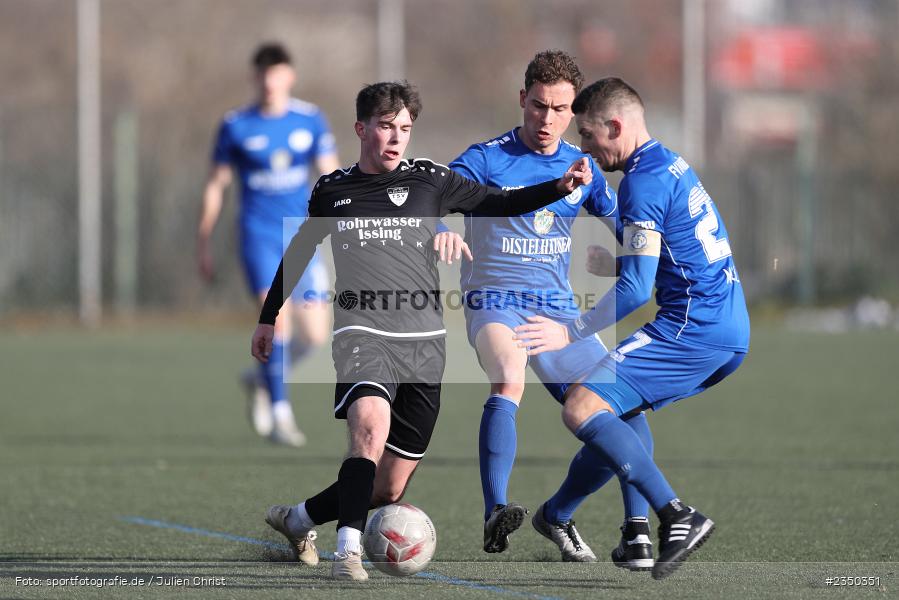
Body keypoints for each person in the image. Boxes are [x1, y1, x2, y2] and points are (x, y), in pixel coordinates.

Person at [251, 81, 593, 581]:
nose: (396, 138)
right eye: (386, 127)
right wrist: (269, 316)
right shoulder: (333, 190)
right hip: (361, 333)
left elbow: (497, 201)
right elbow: (300, 251)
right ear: (361, 128)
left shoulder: (431, 181)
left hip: (425, 345)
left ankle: (298, 519)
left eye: (405, 129)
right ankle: (348, 551)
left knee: (388, 487)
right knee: (369, 430)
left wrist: (557, 188)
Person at [514, 77, 750, 579]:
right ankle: (617, 529)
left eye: (587, 134)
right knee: (615, 415)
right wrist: (617, 262)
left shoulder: (640, 183)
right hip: (728, 328)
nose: (584, 148)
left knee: (581, 406)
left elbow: (639, 290)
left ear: (616, 127)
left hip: (691, 328)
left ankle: (676, 515)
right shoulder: (669, 163)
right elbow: (672, 253)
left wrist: (570, 330)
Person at [440, 50, 656, 563]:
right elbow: (436, 194)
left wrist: (625, 260)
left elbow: (627, 230)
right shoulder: (486, 158)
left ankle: (628, 526)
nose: (547, 119)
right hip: (494, 301)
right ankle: (496, 511)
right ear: (523, 99)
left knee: (623, 408)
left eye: (560, 110)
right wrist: (440, 229)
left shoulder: (582, 166)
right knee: (508, 377)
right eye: (539, 105)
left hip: (557, 312)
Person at [197, 43, 340, 446]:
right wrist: (203, 239)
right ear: (254, 77)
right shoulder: (236, 125)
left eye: (276, 73)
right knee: (276, 318)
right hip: (258, 235)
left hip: (303, 236)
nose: (269, 81)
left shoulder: (310, 120)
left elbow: (330, 174)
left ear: (289, 76)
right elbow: (216, 184)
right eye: (262, 73)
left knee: (315, 335)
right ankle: (280, 414)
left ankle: (263, 378)